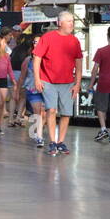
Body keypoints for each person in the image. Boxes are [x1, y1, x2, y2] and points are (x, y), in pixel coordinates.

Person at [32, 11, 83, 156]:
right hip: (48, 80)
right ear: (59, 23)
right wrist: (37, 79)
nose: (71, 24)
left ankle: (60, 142)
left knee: (66, 113)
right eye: (68, 21)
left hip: (67, 82)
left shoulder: (74, 41)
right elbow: (37, 58)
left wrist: (77, 83)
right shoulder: (48, 37)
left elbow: (78, 63)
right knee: (51, 110)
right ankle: (53, 141)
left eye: (72, 21)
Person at [18, 30, 49, 148]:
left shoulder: (47, 58)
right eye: (35, 42)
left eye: (39, 42)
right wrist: (18, 91)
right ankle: (39, 137)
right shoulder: (28, 60)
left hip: (46, 89)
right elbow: (22, 77)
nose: (37, 44)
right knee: (38, 111)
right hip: (32, 89)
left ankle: (37, 130)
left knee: (45, 114)